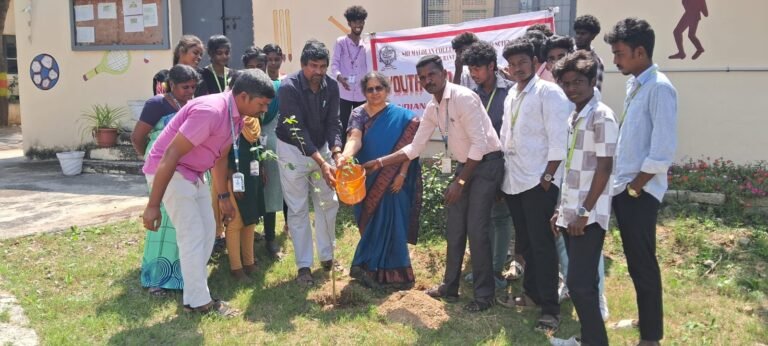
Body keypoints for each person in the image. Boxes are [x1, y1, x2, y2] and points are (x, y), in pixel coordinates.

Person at [362, 55, 504, 313]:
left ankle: (485, 296)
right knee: (455, 228)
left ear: (444, 74)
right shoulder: (432, 107)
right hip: (466, 165)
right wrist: (380, 163)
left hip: (486, 164)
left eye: (432, 75)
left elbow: (480, 145)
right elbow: (415, 147)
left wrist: (459, 182)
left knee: (476, 229)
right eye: (423, 78)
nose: (428, 81)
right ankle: (450, 287)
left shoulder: (463, 98)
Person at [141, 69, 275, 317]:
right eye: (262, 104)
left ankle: (194, 296)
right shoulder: (211, 111)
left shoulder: (235, 114)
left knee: (207, 232)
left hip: (193, 173)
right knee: (192, 235)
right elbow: (170, 154)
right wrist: (152, 205)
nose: (265, 110)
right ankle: (200, 302)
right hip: (171, 171)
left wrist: (223, 197)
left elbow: (221, 156)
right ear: (244, 96)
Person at [605, 17, 677, 346]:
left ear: (639, 51)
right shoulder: (638, 84)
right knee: (635, 262)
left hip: (640, 192)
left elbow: (662, 149)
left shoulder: (660, 88)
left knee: (643, 263)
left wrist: (636, 185)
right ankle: (644, 319)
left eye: (619, 53)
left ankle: (651, 337)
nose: (615, 60)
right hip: (626, 187)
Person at [497, 38, 570, 333]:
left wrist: (549, 178)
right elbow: (506, 137)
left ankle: (550, 310)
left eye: (523, 62)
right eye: (513, 64)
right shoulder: (512, 95)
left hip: (539, 181)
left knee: (542, 245)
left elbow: (559, 139)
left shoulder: (548, 92)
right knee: (525, 244)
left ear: (535, 63)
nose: (518, 69)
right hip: (515, 180)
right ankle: (531, 295)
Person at [548, 51, 619, 346]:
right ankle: (590, 340)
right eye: (566, 83)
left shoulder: (601, 115)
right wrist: (560, 210)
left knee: (578, 284)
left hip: (588, 215)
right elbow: (572, 167)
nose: (572, 88)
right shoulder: (574, 115)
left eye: (578, 81)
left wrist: (584, 211)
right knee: (584, 282)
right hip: (572, 211)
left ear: (592, 81)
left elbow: (605, 167)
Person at [337, 72, 421, 290]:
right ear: (364, 92)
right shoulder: (358, 114)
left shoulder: (403, 116)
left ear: (387, 89)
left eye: (379, 88)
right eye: (370, 89)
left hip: (394, 180)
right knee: (370, 220)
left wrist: (402, 174)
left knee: (393, 222)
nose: (374, 93)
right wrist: (346, 156)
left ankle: (391, 273)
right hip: (367, 175)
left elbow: (409, 149)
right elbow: (354, 138)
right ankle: (369, 268)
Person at [276, 40, 342, 286]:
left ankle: (328, 257)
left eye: (323, 66)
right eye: (313, 66)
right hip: (292, 150)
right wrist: (321, 162)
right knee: (297, 208)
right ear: (303, 65)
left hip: (321, 148)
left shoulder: (331, 87)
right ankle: (304, 266)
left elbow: (334, 122)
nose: (318, 71)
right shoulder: (288, 87)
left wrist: (335, 154)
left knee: (328, 203)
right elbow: (297, 131)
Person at [131, 64, 200, 297]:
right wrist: (150, 156)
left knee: (185, 219)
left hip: (187, 169)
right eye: (184, 87)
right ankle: (157, 278)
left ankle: (184, 274)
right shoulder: (156, 105)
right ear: (171, 85)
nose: (189, 91)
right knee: (161, 220)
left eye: (193, 87)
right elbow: (137, 137)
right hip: (161, 168)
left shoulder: (193, 105)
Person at [461, 41, 515, 291]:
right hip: (476, 162)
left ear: (492, 67)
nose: (473, 74)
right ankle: (483, 268)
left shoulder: (511, 92)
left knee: (501, 216)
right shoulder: (472, 94)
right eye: (471, 69)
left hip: (503, 162)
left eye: (478, 69)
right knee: (481, 217)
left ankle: (496, 271)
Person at [217, 71, 264, 281]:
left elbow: (256, 145)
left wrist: (261, 169)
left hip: (252, 173)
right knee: (235, 221)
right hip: (233, 176)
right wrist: (232, 180)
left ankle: (250, 262)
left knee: (251, 220)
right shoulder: (226, 117)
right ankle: (236, 268)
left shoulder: (253, 118)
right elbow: (221, 154)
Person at [260, 43, 288, 259]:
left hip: (287, 139)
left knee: (290, 186)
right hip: (267, 138)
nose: (273, 63)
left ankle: (289, 227)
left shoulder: (288, 82)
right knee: (270, 190)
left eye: (276, 59)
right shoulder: (261, 84)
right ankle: (270, 237)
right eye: (269, 59)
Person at [332, 5, 369, 147]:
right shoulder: (341, 42)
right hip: (344, 92)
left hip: (361, 93)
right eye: (355, 21)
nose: (358, 24)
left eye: (361, 21)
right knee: (342, 124)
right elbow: (334, 64)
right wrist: (340, 77)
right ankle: (340, 155)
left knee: (361, 125)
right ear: (349, 23)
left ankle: (359, 153)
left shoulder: (365, 44)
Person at [573, 15, 605, 91]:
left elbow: (596, 91)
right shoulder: (566, 55)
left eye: (583, 34)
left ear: (593, 36)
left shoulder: (597, 61)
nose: (578, 36)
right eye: (577, 33)